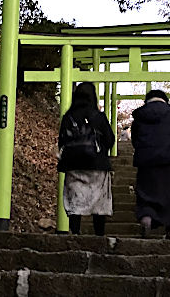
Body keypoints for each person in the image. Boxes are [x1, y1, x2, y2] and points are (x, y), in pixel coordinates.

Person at [58, 82, 115, 236]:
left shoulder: (68, 117)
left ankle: (75, 233)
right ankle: (99, 235)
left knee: (75, 200)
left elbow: (62, 142)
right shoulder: (98, 116)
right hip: (96, 164)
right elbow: (110, 139)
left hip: (73, 164)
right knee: (99, 202)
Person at [131, 89, 170, 239]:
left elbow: (135, 140)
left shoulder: (139, 116)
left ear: (147, 100)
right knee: (168, 194)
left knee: (145, 193)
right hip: (169, 160)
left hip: (146, 161)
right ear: (165, 100)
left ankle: (146, 219)